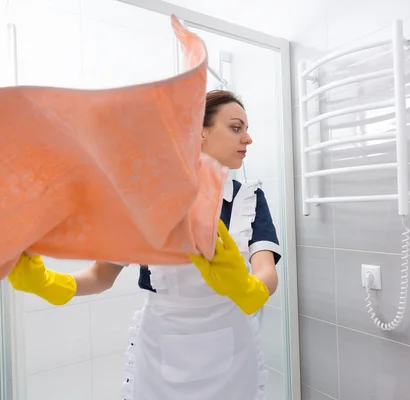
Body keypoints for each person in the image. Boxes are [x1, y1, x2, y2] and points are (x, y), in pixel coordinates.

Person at [7, 90, 280, 400]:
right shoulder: (150, 199)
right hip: (161, 352)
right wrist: (49, 284)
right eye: (235, 127)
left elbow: (267, 273)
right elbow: (101, 276)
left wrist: (248, 288)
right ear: (200, 132)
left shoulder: (250, 199)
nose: (248, 138)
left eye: (246, 128)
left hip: (231, 356)